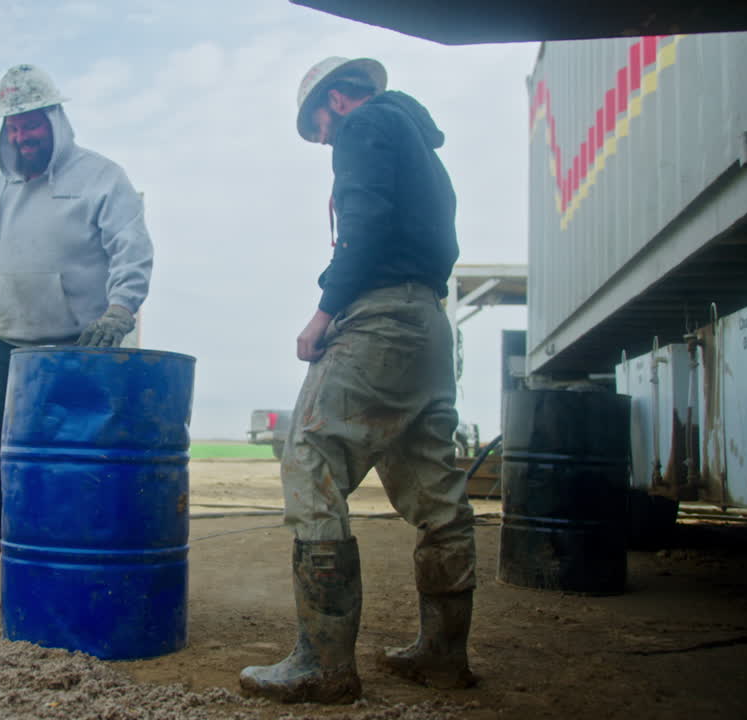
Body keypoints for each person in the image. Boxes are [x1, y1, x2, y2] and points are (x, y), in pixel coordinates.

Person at [238, 57, 477, 703]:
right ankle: (443, 656)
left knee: (310, 456)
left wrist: (323, 312)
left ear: (337, 100)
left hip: (379, 323)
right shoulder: (420, 148)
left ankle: (324, 666)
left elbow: (364, 229)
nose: (321, 142)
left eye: (317, 126)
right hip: (428, 322)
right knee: (434, 488)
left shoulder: (366, 123)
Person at [0, 64, 153, 618]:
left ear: (56, 122)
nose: (22, 138)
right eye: (13, 129)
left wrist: (120, 310)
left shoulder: (102, 178)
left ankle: (83, 580)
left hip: (81, 347)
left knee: (76, 469)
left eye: (32, 126)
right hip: (10, 345)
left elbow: (131, 248)